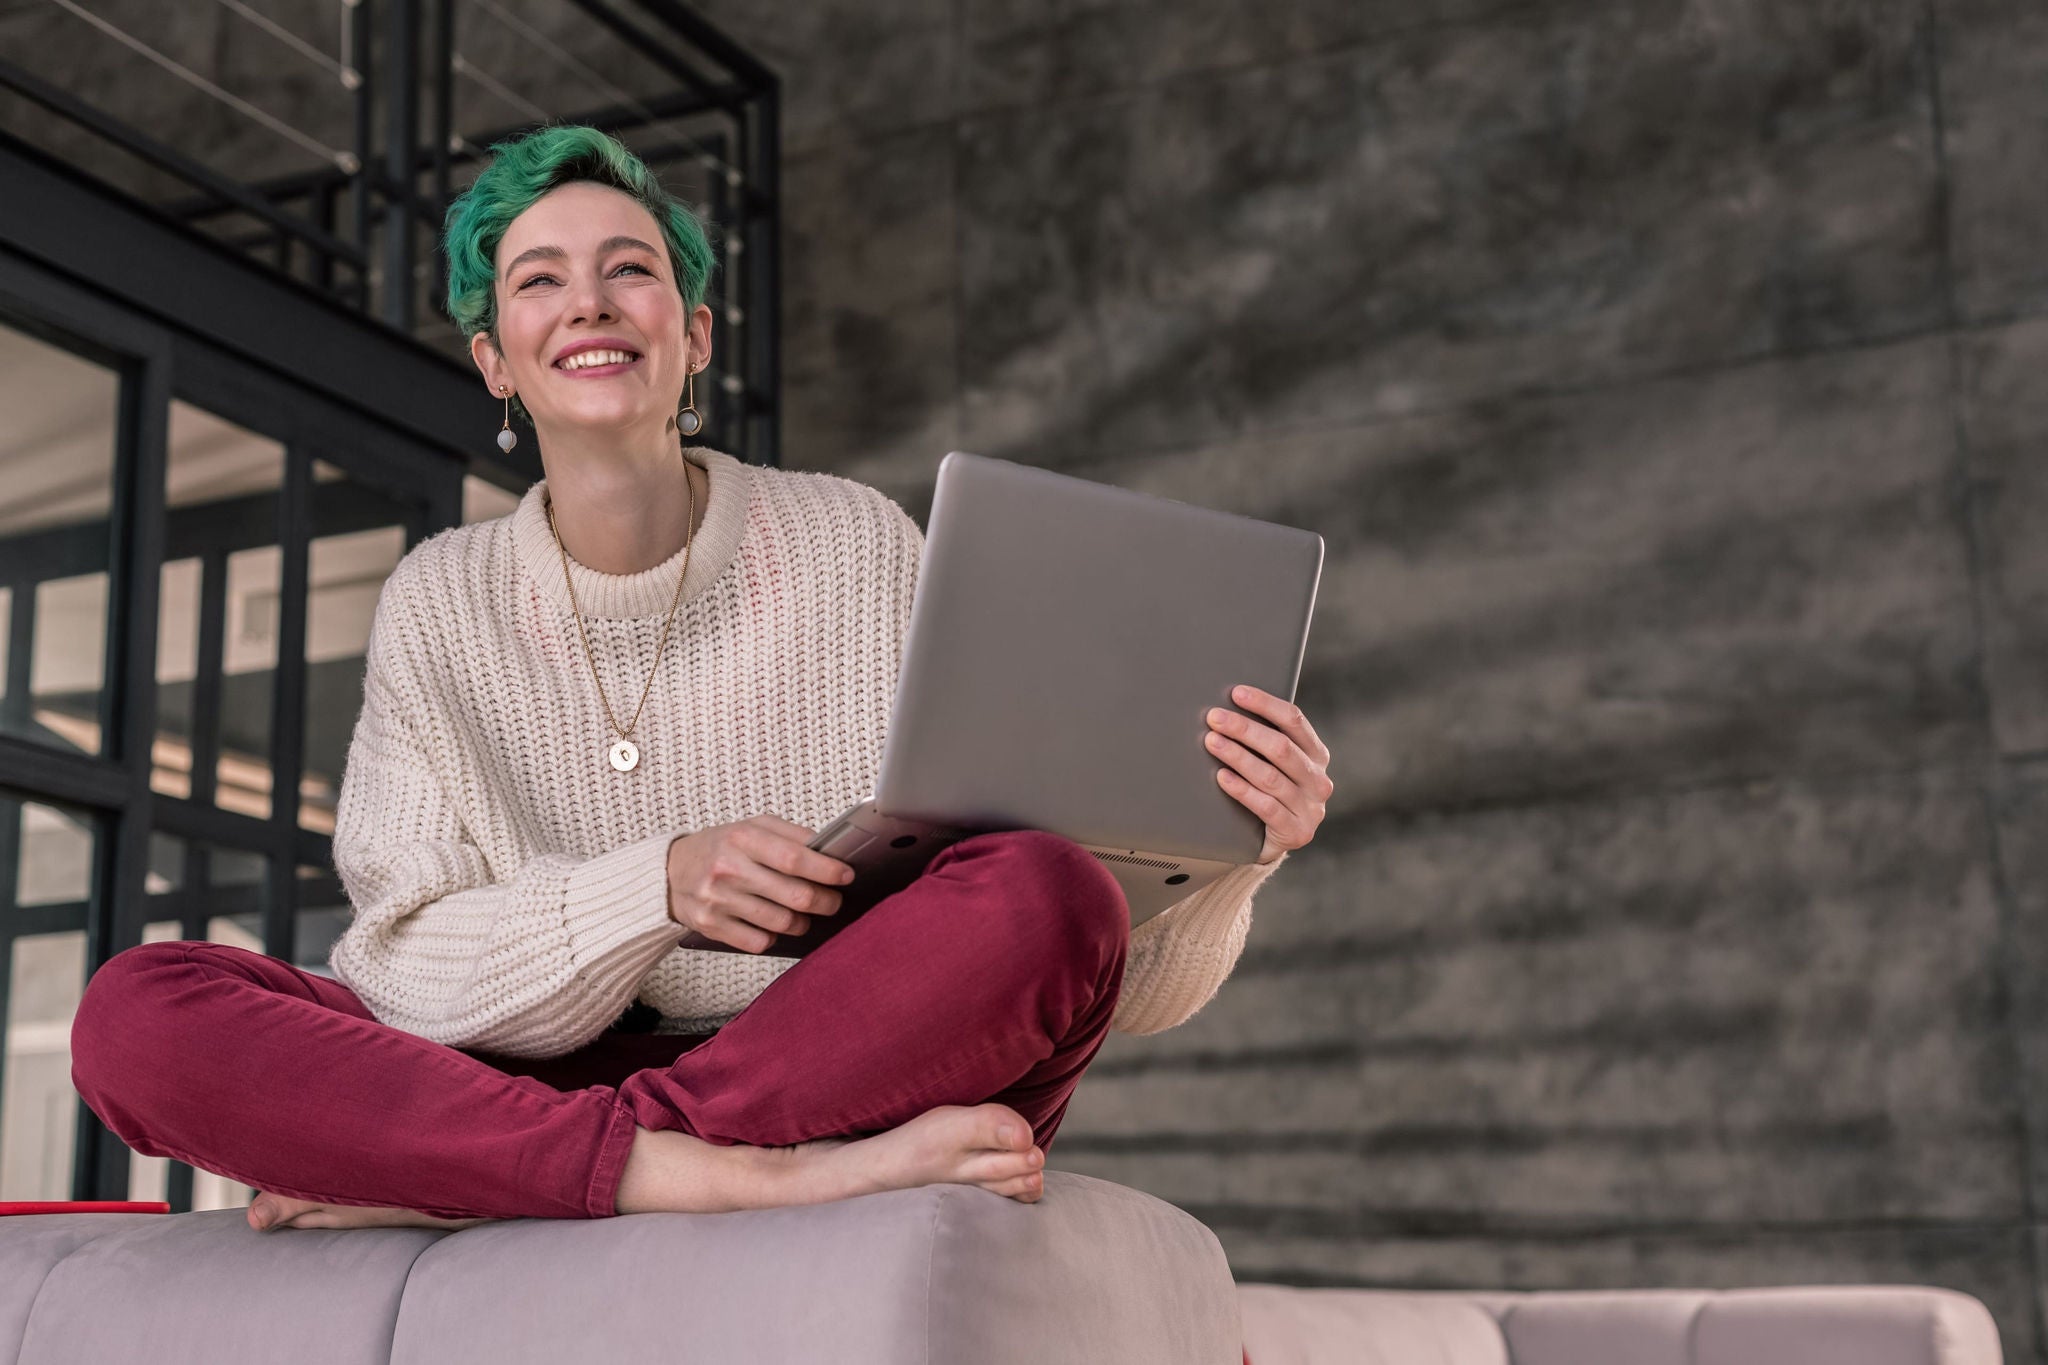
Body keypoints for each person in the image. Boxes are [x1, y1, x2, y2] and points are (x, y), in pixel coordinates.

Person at [68, 124, 1334, 1233]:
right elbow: (402, 966)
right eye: (537, 280)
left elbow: (1100, 973)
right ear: (495, 362)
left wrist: (1229, 862)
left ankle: (511, 1178)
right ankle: (720, 1182)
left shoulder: (851, 541)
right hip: (541, 1082)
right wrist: (655, 885)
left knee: (1048, 888)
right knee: (138, 1010)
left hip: (824, 1071)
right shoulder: (440, 601)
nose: (591, 302)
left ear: (694, 337)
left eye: (632, 270)